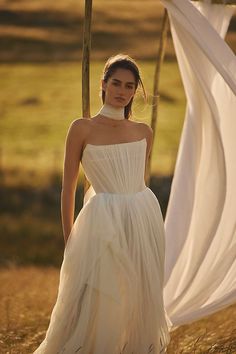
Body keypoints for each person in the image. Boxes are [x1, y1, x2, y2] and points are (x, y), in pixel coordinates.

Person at [33, 53, 172, 354]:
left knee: (138, 295)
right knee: (100, 298)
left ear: (136, 90)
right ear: (104, 84)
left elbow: (139, 181)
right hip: (101, 220)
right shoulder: (81, 128)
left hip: (143, 216)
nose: (122, 91)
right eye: (116, 83)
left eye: (129, 86)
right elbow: (68, 187)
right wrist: (70, 237)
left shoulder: (143, 132)